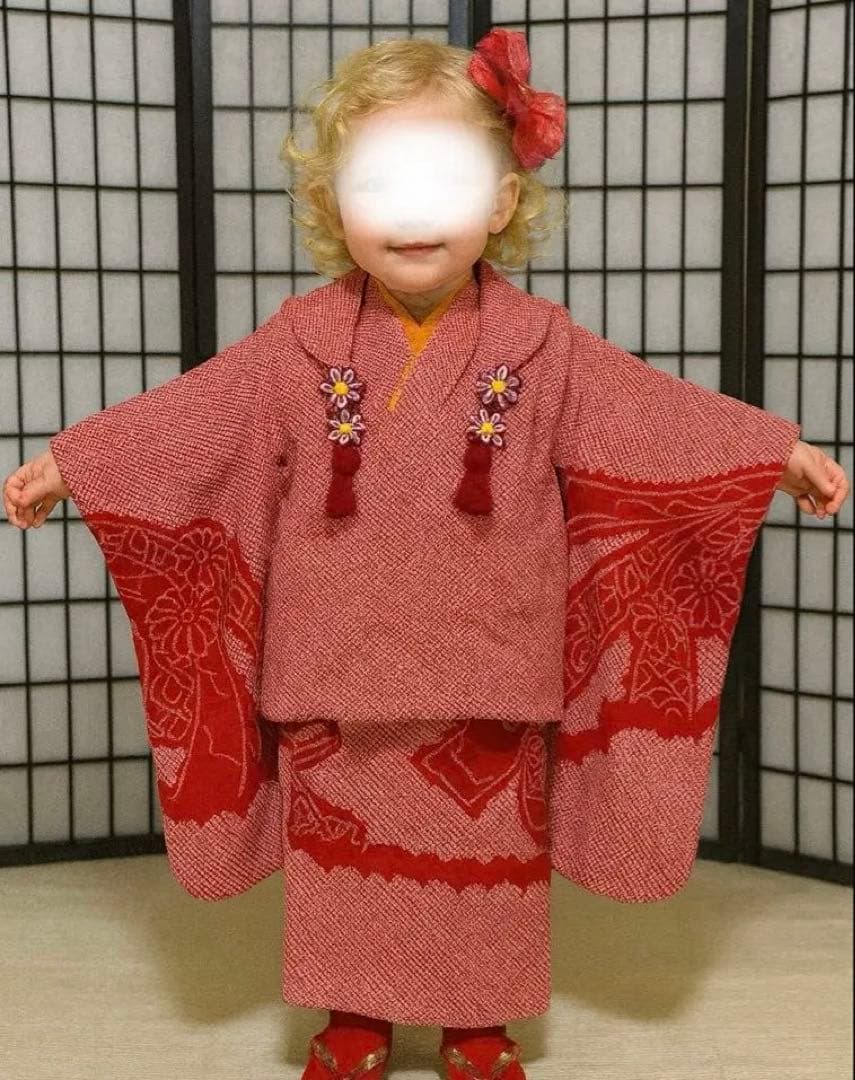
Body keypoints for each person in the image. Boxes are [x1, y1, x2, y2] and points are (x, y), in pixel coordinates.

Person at [3, 29, 849, 1080]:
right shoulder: (295, 345)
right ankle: (355, 1016)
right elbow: (192, 421)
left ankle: (476, 1022)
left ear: (502, 202)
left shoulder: (544, 345)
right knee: (345, 848)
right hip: (337, 654)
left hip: (489, 653)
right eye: (378, 183)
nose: (411, 212)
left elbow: (653, 416)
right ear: (332, 204)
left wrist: (768, 453)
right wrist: (79, 463)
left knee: (485, 850)